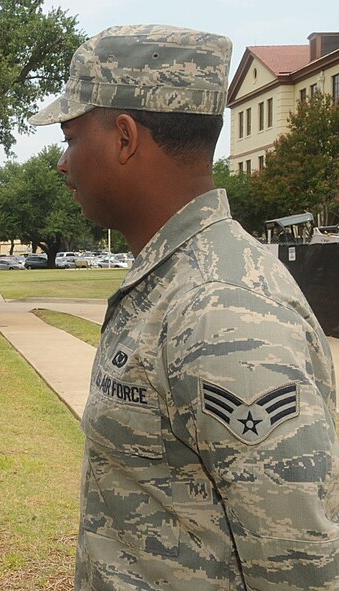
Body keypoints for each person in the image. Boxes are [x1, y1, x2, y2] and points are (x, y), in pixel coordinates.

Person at [29, 25, 338, 590]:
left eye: (71, 137)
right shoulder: (174, 277)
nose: (62, 162)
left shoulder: (220, 307)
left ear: (124, 137)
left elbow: (300, 565)